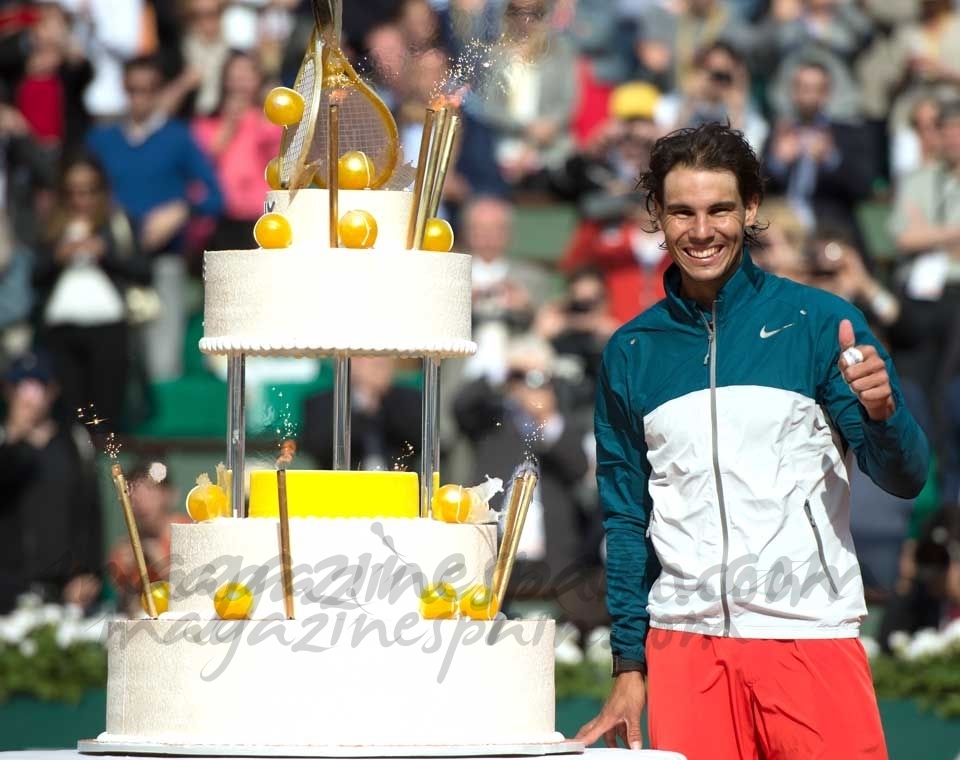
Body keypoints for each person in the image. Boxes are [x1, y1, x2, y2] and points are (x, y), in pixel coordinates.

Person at [575, 123, 929, 760]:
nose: (701, 230)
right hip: (683, 651)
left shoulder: (821, 323)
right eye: (681, 211)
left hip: (810, 636)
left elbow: (904, 474)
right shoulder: (631, 351)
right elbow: (627, 517)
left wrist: (883, 414)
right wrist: (630, 665)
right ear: (656, 214)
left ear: (751, 208)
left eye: (719, 210)